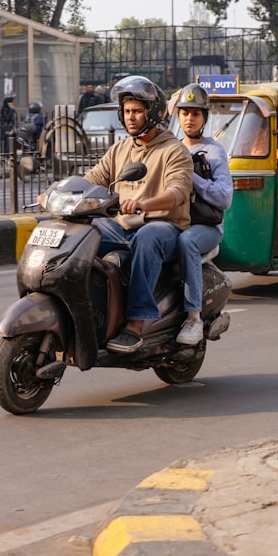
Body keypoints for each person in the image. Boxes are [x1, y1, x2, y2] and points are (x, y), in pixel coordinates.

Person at [83, 75, 193, 353]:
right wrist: (59, 191)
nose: (130, 117)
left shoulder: (174, 151)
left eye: (137, 111)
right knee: (85, 234)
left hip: (163, 225)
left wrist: (145, 204)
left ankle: (136, 322)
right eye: (127, 111)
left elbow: (178, 191)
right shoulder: (120, 148)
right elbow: (95, 177)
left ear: (153, 113)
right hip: (122, 225)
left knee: (148, 237)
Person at [174, 83, 233, 346]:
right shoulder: (171, 149)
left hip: (204, 227)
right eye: (185, 113)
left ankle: (193, 317)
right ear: (178, 117)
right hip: (173, 220)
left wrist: (192, 176)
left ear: (204, 118)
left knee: (187, 242)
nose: (189, 118)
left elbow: (224, 197)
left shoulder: (214, 150)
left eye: (195, 113)